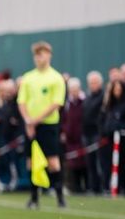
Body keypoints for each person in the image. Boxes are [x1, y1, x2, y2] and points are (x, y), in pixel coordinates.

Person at [18, 41, 67, 209]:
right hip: (31, 126)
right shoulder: (28, 77)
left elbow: (56, 103)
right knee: (31, 162)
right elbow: (22, 101)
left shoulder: (56, 77)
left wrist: (36, 120)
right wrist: (28, 121)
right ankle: (34, 198)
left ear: (49, 55)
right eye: (37, 54)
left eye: (43, 54)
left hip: (48, 125)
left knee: (53, 162)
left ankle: (60, 197)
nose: (39, 57)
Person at [101, 80, 125, 196]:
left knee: (124, 165)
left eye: (118, 90)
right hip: (110, 140)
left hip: (124, 141)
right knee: (109, 164)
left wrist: (120, 128)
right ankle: (111, 187)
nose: (116, 92)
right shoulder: (111, 105)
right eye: (115, 90)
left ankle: (124, 187)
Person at [62, 77, 87, 192]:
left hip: (82, 137)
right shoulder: (66, 103)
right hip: (70, 138)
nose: (73, 92)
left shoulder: (85, 101)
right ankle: (74, 187)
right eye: (71, 89)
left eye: (75, 89)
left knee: (84, 163)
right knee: (72, 164)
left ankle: (86, 186)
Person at [82, 71, 105, 193]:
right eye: (91, 83)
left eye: (95, 82)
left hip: (98, 133)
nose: (93, 85)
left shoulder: (104, 96)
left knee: (99, 162)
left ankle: (103, 186)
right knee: (90, 163)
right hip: (87, 134)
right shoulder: (88, 97)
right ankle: (93, 187)